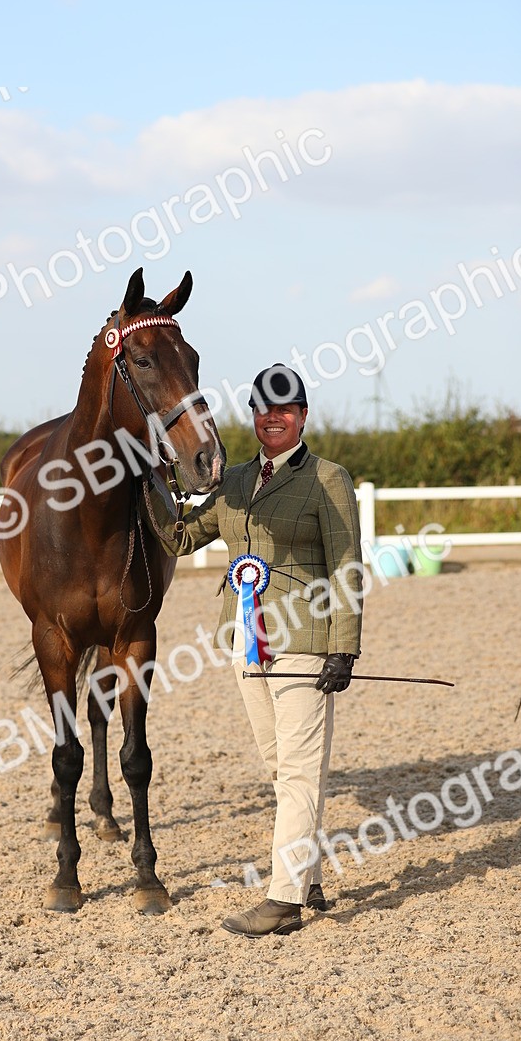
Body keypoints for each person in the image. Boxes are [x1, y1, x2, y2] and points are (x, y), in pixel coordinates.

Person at [146, 363, 363, 937]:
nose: (273, 418)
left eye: (285, 410)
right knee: (282, 768)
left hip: (304, 643)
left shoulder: (327, 479)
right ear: (254, 415)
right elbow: (183, 536)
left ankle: (284, 899)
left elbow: (346, 566)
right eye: (264, 409)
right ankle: (310, 874)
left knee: (296, 771)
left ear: (302, 416)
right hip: (247, 644)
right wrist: (152, 486)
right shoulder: (235, 482)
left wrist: (344, 647)